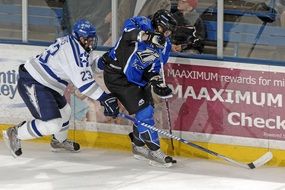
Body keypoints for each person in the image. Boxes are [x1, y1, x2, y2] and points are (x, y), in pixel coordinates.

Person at [2, 19, 119, 158]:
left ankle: (58, 141)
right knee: (52, 125)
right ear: (78, 37)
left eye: (91, 39)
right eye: (87, 39)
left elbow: (86, 68)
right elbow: (85, 84)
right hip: (34, 81)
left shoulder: (78, 45)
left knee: (65, 111)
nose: (90, 42)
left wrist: (102, 62)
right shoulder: (73, 51)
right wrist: (104, 98)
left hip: (49, 84)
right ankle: (15, 133)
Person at [100, 9, 177, 167]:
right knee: (145, 112)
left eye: (169, 32)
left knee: (147, 109)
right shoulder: (140, 23)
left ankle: (138, 145)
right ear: (157, 24)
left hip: (136, 79)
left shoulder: (165, 45)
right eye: (165, 30)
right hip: (117, 75)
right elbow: (128, 34)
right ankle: (154, 152)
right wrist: (148, 37)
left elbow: (153, 68)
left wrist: (157, 83)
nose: (166, 34)